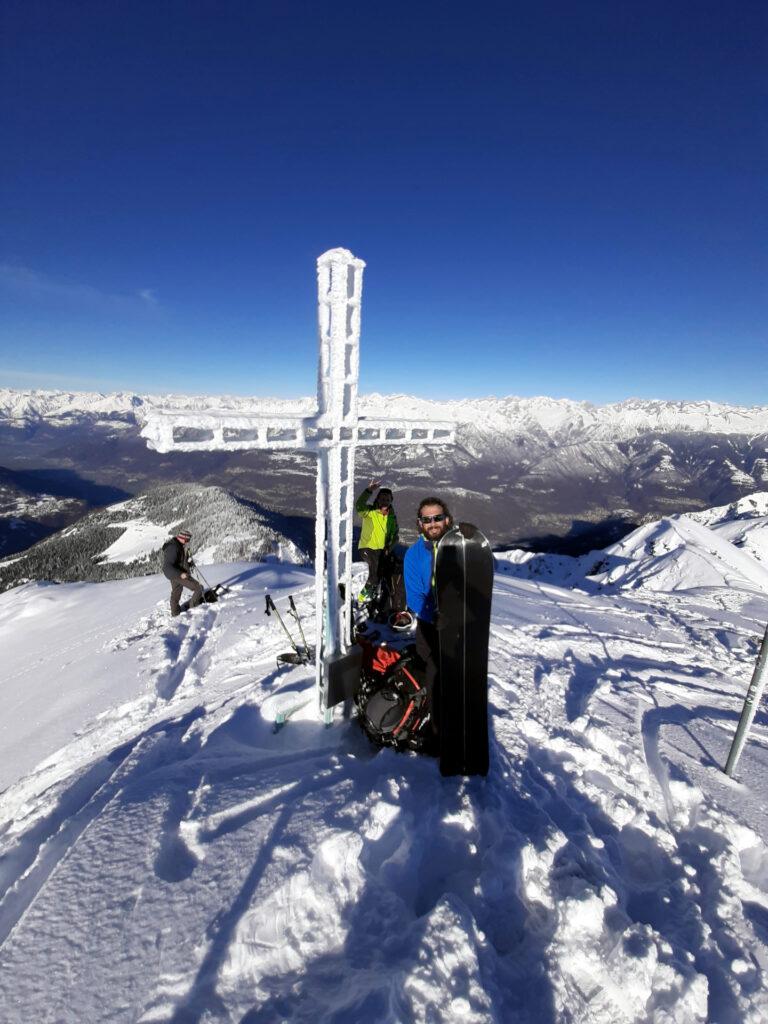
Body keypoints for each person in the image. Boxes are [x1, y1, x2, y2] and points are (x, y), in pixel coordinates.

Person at [403, 496, 453, 736]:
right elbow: (414, 597)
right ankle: (437, 730)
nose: (433, 523)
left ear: (447, 519)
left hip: (457, 624)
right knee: (435, 669)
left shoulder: (459, 549)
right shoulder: (413, 555)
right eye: (427, 519)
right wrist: (434, 617)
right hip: (429, 626)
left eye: (437, 518)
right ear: (420, 524)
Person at [356, 479, 399, 603]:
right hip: (367, 547)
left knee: (384, 571)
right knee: (375, 570)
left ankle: (376, 594)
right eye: (382, 498)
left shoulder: (392, 518)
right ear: (377, 499)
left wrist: (389, 548)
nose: (384, 501)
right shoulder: (369, 512)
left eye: (387, 499)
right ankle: (363, 596)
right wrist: (369, 490)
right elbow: (359, 505)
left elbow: (395, 536)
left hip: (382, 550)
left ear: (391, 501)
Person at [161, 530, 204, 617]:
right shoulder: (173, 547)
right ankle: (194, 608)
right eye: (187, 540)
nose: (188, 542)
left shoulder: (178, 545)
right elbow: (167, 567)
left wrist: (189, 562)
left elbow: (180, 561)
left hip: (176, 573)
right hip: (178, 574)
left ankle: (175, 613)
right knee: (198, 588)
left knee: (176, 592)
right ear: (183, 538)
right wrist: (180, 574)